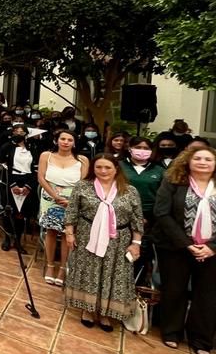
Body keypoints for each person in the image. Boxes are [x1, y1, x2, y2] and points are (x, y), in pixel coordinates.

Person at [63, 155, 144, 330]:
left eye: (107, 167)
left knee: (112, 274)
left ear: (116, 169)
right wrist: (70, 233)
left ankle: (106, 313)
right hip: (87, 235)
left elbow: (137, 219)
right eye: (99, 167)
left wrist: (136, 243)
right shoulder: (83, 186)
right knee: (88, 271)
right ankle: (87, 309)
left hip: (118, 240)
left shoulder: (129, 191)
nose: (103, 171)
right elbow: (71, 211)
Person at [152, 146, 216, 354]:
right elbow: (161, 213)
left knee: (207, 295)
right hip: (175, 247)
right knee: (174, 289)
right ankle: (171, 331)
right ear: (188, 161)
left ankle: (201, 339)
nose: (203, 162)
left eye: (208, 159)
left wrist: (211, 247)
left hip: (211, 251)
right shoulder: (173, 182)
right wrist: (186, 243)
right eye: (198, 158)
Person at [37, 130, 88, 286]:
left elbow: (85, 183)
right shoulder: (46, 155)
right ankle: (51, 266)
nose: (66, 142)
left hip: (73, 198)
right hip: (49, 195)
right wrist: (54, 195)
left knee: (68, 233)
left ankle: (63, 268)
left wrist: (71, 201)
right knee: (51, 231)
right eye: (63, 139)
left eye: (70, 139)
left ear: (74, 142)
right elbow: (41, 177)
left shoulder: (83, 160)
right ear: (57, 140)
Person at [120, 137, 164, 279]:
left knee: (139, 254)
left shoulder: (159, 170)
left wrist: (148, 218)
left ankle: (134, 286)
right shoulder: (118, 166)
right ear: (130, 148)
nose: (142, 151)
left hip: (148, 219)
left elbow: (162, 197)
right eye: (138, 147)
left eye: (146, 148)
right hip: (119, 216)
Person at [0, 124, 37, 253]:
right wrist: (12, 184)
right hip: (10, 180)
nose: (19, 133)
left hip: (26, 181)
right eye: (17, 131)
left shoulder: (33, 148)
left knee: (21, 214)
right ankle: (7, 239)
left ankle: (18, 241)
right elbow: (1, 165)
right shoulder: (6, 147)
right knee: (9, 211)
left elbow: (36, 168)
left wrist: (28, 185)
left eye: (22, 131)